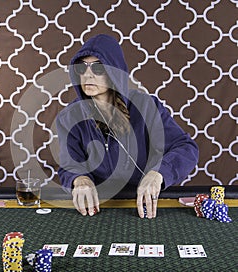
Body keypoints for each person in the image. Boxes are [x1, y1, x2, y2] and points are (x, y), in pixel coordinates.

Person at [56, 34, 199, 219]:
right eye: (82, 67)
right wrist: (80, 179)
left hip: (146, 203)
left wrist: (158, 173)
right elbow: (69, 165)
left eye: (98, 67)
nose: (88, 74)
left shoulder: (147, 106)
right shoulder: (69, 117)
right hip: (98, 207)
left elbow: (186, 148)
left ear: (115, 72)